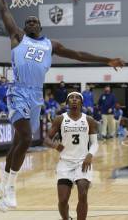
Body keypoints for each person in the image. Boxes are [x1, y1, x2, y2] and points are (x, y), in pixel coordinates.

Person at [0, 0, 124, 212]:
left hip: (35, 96)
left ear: (40, 27)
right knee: (25, 137)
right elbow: (4, 10)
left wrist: (107, 60)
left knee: (17, 142)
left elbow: (79, 55)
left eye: (35, 21)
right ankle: (11, 187)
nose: (31, 23)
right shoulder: (17, 37)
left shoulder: (50, 45)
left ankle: (1, 185)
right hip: (18, 91)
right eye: (28, 21)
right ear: (24, 27)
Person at [43, 92, 98, 220]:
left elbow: (95, 143)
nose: (74, 100)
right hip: (65, 163)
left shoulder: (89, 120)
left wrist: (90, 155)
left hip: (82, 162)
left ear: (81, 102)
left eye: (77, 98)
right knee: (62, 200)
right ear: (67, 102)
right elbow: (46, 139)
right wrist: (55, 145)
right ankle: (66, 218)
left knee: (83, 194)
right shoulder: (60, 119)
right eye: (71, 98)